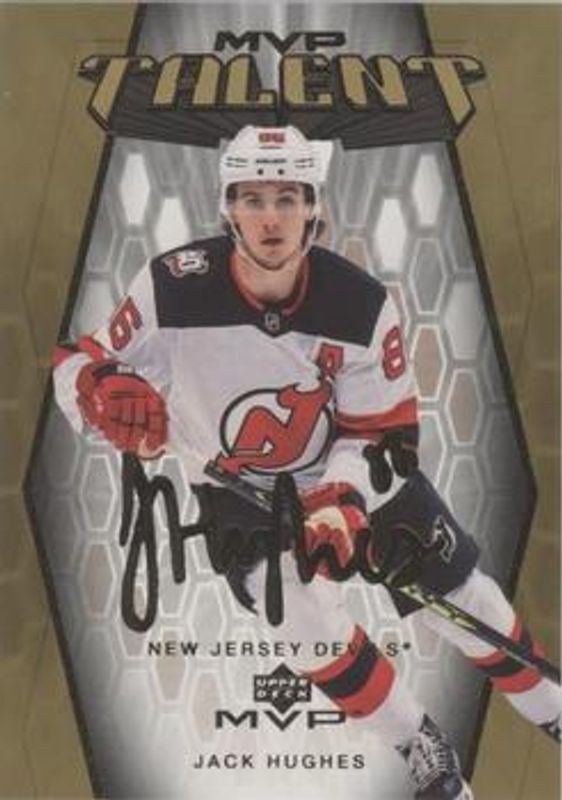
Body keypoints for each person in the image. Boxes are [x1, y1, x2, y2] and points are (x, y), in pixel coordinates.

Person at [52, 125, 561, 799]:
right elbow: (78, 359)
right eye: (253, 199)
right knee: (303, 625)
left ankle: (552, 709)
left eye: (287, 199)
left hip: (355, 485)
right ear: (229, 208)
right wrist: (95, 387)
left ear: (313, 207)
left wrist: (341, 501)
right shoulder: (171, 286)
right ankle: (418, 740)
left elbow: (385, 433)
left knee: (468, 602)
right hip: (239, 497)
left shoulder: (361, 303)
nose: (271, 218)